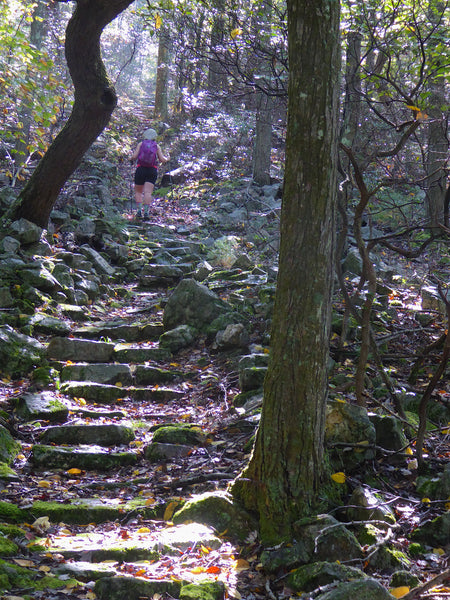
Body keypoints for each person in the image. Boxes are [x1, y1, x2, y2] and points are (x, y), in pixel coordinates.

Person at [130, 128, 169, 218]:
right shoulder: (156, 146)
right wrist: (168, 159)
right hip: (152, 170)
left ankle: (139, 211)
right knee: (148, 193)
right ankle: (146, 212)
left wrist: (130, 159)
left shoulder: (141, 144)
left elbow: (134, 157)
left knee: (138, 192)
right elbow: (162, 160)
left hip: (140, 170)